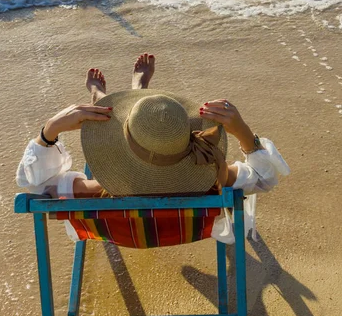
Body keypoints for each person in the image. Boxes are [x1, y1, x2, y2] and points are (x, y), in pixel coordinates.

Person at [16, 53, 290, 243]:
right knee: (151, 126)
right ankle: (137, 93)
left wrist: (50, 129)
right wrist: (241, 130)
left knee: (118, 129)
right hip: (185, 230)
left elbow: (39, 189)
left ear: (119, 150)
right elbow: (264, 177)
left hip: (121, 232)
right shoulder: (215, 178)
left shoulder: (90, 194)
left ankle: (108, 103)